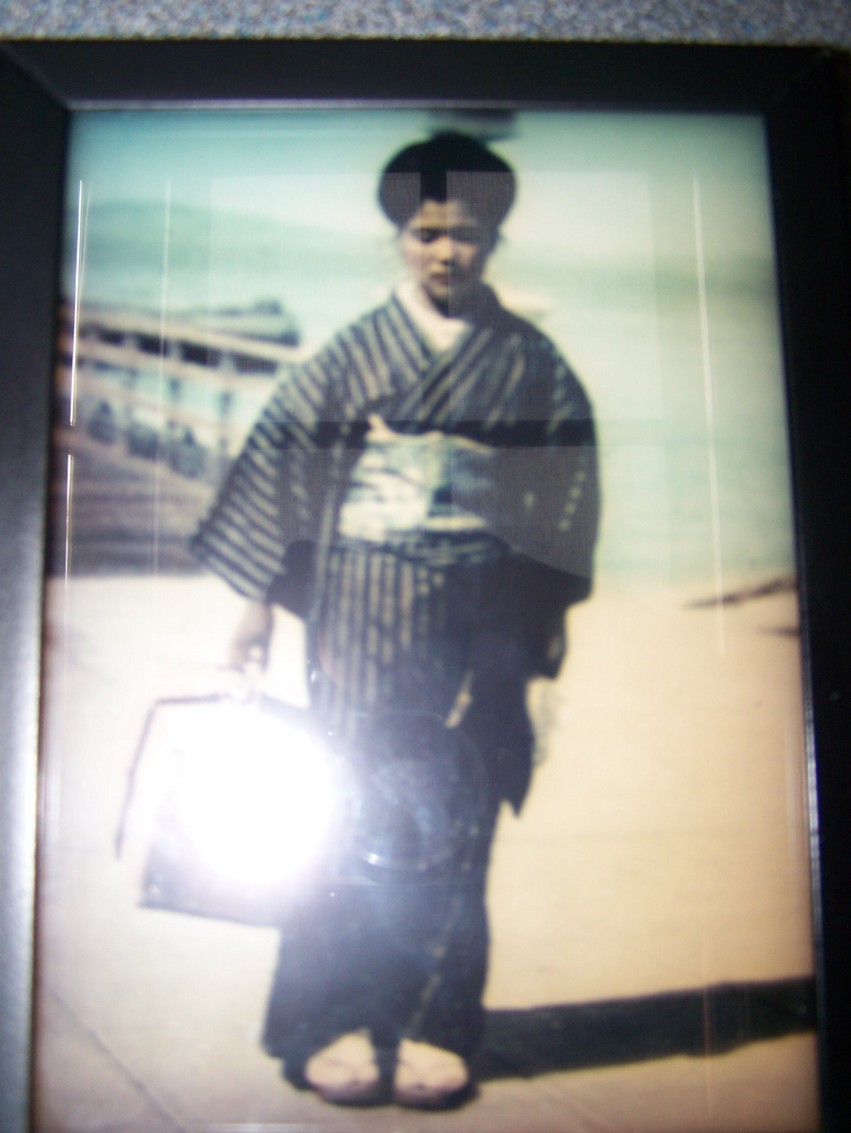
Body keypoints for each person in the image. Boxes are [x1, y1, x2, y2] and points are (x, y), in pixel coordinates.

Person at [191, 131, 598, 1109]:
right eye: (425, 234)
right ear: (398, 238)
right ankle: (325, 1018)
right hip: (361, 612)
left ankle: (434, 1022)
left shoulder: (531, 364)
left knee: (460, 815)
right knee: (343, 810)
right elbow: (282, 476)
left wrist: (539, 645)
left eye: (465, 234)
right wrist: (254, 608)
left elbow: (563, 503)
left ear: (493, 237)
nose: (445, 252)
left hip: (482, 617)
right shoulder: (350, 354)